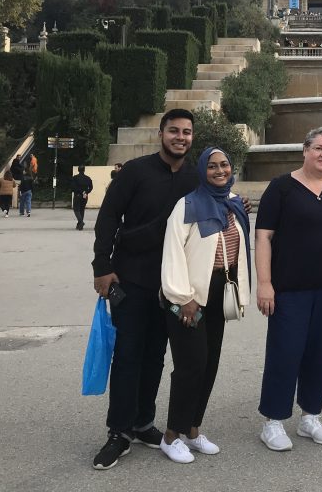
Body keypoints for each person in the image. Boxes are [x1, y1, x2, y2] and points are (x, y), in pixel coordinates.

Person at [90, 109, 199, 470]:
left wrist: (239, 206)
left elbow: (216, 209)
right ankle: (118, 432)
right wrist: (102, 267)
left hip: (171, 286)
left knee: (155, 356)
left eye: (186, 132)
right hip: (132, 279)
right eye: (174, 131)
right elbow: (107, 218)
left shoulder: (195, 176)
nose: (180, 137)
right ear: (161, 133)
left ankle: (142, 422)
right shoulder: (136, 171)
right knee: (127, 356)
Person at [254, 126, 322, 451]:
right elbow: (263, 237)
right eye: (319, 148)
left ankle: (310, 416)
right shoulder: (281, 188)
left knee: (321, 354)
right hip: (289, 289)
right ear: (305, 150)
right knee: (285, 353)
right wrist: (264, 283)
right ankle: (273, 421)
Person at [158, 147, 252, 463]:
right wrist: (184, 299)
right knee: (190, 366)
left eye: (224, 165)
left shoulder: (233, 203)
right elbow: (172, 253)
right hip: (189, 297)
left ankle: (193, 429)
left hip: (218, 292)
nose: (219, 170)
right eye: (212, 166)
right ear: (202, 170)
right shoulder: (187, 205)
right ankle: (171, 436)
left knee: (209, 362)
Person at [72, 165, 94, 231]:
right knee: (82, 209)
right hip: (85, 196)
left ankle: (81, 222)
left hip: (78, 195)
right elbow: (91, 187)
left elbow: (73, 187)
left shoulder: (75, 178)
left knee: (76, 209)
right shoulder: (88, 178)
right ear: (84, 170)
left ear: (78, 170)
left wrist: (80, 192)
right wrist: (86, 192)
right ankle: (79, 225)